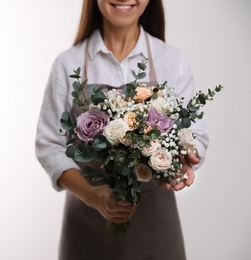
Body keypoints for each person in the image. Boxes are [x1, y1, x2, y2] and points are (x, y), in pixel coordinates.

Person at [35, 1, 209, 259]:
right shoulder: (67, 63)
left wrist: (186, 154)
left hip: (156, 230)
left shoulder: (173, 60)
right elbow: (49, 144)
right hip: (86, 229)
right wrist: (92, 195)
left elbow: (193, 134)